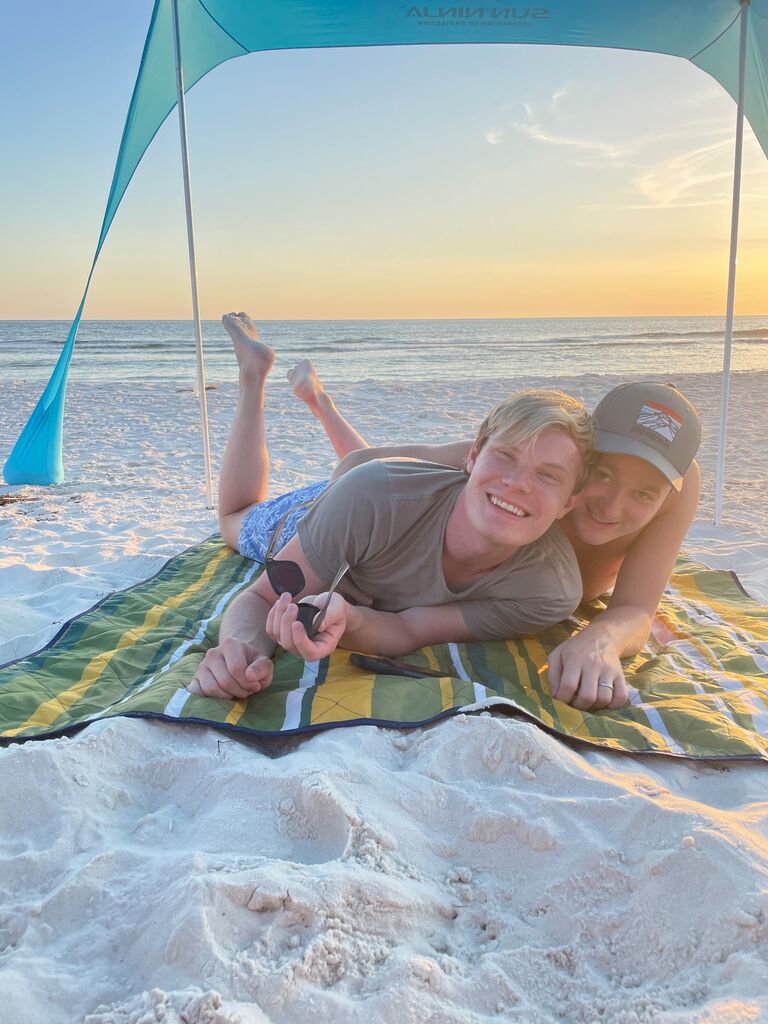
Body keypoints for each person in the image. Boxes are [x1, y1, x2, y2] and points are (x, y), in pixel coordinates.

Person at [188, 312, 595, 703]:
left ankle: (319, 401)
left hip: (373, 501)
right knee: (235, 517)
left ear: (569, 504)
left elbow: (407, 628)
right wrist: (241, 651)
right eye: (505, 455)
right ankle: (253, 374)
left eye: (548, 475)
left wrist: (349, 617)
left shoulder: (547, 589)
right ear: (472, 457)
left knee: (375, 492)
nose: (518, 483)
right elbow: (260, 599)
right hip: (326, 511)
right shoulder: (372, 495)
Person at [285, 352, 703, 713]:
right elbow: (367, 468)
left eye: (643, 493)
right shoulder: (530, 458)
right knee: (248, 518)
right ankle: (321, 405)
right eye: (605, 476)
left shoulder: (675, 487)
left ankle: (322, 404)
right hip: (358, 505)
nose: (612, 507)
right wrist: (336, 526)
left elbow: (636, 607)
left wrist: (601, 638)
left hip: (505, 584)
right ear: (585, 457)